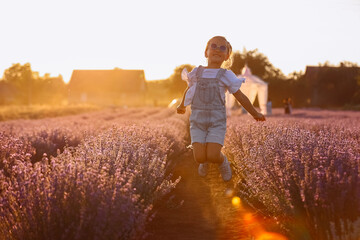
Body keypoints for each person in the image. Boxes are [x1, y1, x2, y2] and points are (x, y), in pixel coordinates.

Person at [176, 36, 265, 181]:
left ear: (227, 56)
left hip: (216, 122)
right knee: (199, 157)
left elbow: (240, 96)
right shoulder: (196, 72)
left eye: (222, 48)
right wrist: (182, 105)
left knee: (212, 155)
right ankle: (203, 162)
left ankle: (223, 161)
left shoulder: (226, 75)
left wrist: (255, 113)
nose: (217, 49)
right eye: (214, 46)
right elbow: (189, 89)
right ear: (206, 52)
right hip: (197, 121)